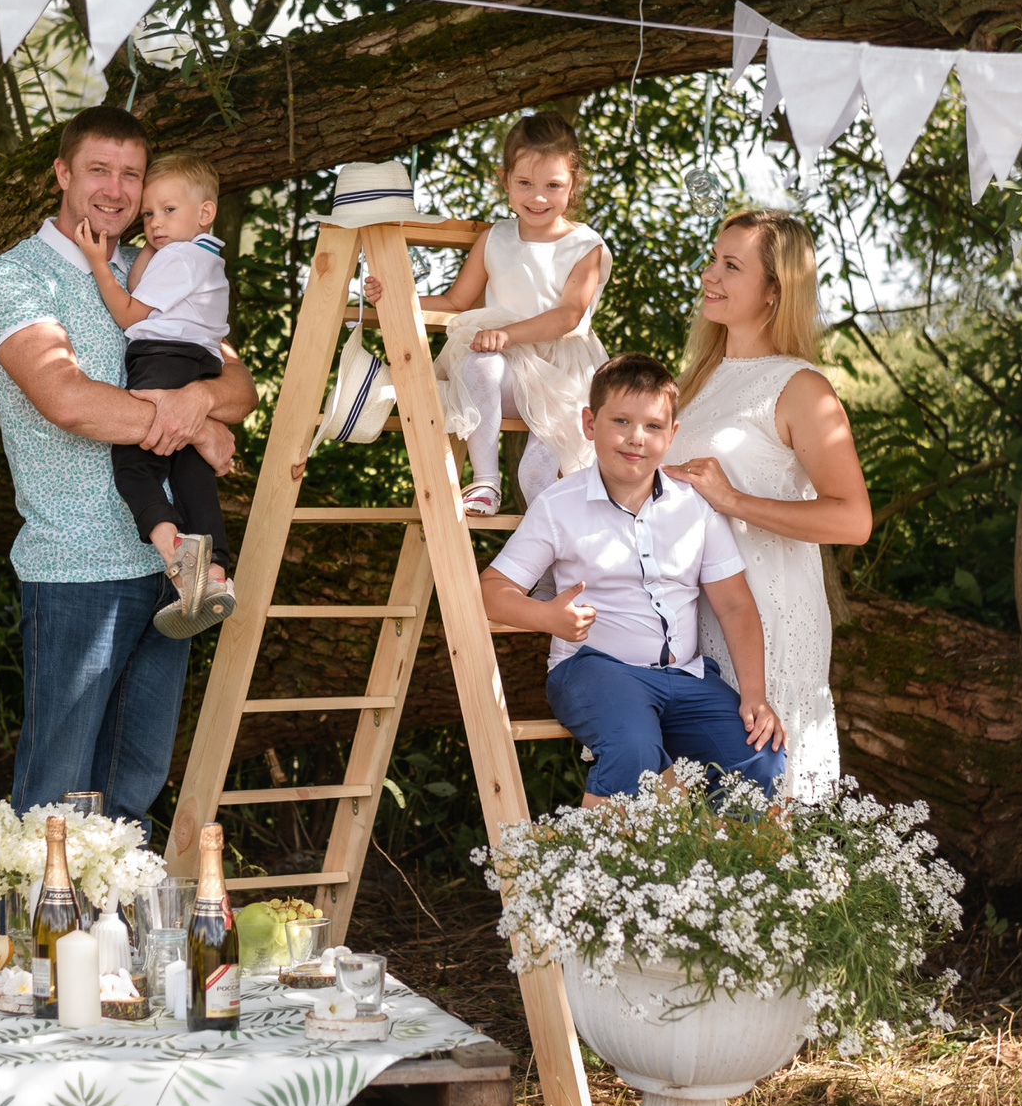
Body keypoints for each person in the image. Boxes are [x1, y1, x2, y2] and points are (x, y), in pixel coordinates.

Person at [0, 107, 257, 821]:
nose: (116, 188)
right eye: (98, 168)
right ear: (63, 173)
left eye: (131, 173)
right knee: (57, 795)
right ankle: (37, 935)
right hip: (74, 570)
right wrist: (192, 428)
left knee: (135, 785)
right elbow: (67, 399)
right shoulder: (17, 278)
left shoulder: (154, 267)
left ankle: (113, 937)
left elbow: (241, 387)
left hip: (171, 571)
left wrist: (198, 402)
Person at [479, 352, 784, 806]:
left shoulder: (693, 506)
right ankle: (595, 872)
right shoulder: (559, 506)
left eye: (653, 426)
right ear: (589, 423)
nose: (636, 438)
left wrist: (754, 696)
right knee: (633, 748)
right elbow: (490, 591)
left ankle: (726, 872)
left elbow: (735, 604)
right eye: (620, 420)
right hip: (594, 669)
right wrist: (547, 616)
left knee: (760, 752)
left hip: (686, 676)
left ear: (672, 435)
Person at [664, 209, 874, 804]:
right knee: (691, 818)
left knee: (760, 809)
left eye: (731, 266)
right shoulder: (697, 381)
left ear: (775, 291)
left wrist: (732, 499)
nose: (711, 274)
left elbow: (852, 520)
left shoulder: (801, 385)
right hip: (697, 616)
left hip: (772, 617)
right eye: (712, 258)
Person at [364, 112, 608, 515]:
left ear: (574, 185)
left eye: (553, 185)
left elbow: (568, 315)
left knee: (535, 474)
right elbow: (457, 302)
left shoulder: (585, 246)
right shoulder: (494, 238)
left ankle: (550, 573)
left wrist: (508, 333)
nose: (538, 197)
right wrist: (394, 297)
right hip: (507, 371)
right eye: (525, 183)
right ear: (505, 180)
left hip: (563, 377)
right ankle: (485, 482)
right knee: (480, 365)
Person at [71, 150, 237, 637]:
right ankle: (215, 574)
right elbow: (146, 283)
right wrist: (151, 243)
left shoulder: (182, 258)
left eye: (168, 211)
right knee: (191, 473)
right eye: (147, 213)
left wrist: (99, 262)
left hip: (162, 358)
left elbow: (128, 312)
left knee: (136, 465)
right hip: (198, 363)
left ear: (204, 213)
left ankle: (175, 554)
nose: (154, 222)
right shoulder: (200, 255)